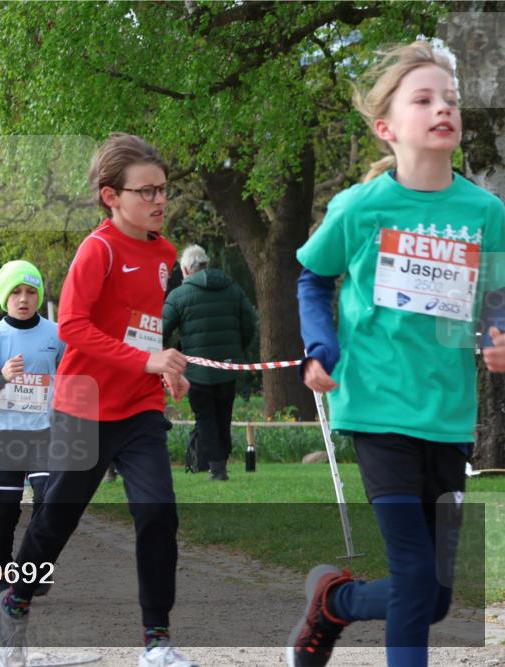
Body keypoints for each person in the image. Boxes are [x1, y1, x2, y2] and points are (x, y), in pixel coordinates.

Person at [289, 42, 505, 667]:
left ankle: (333, 603)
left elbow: (496, 293)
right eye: (424, 99)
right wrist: (320, 346)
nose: (444, 108)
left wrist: (496, 335)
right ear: (387, 127)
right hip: (377, 408)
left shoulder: (485, 212)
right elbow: (311, 276)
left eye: (451, 99)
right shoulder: (360, 208)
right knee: (414, 577)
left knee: (433, 597)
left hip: (448, 417)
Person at [0, 133, 194, 667]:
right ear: (111, 196)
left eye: (163, 190)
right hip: (84, 406)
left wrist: (166, 368)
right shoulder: (97, 250)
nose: (158, 200)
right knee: (57, 516)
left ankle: (157, 641)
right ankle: (13, 604)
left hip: (141, 408)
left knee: (158, 514)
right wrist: (146, 359)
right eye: (145, 191)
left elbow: (141, 330)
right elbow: (74, 328)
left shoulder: (166, 253)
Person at [0, 260, 64, 595]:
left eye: (31, 292)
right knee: (5, 514)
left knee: (47, 505)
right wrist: (2, 377)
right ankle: (3, 573)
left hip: (44, 435)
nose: (23, 299)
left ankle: (36, 568)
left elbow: (70, 377)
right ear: (4, 297)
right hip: (8, 437)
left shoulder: (56, 334)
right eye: (16, 292)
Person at [162, 244, 257, 481]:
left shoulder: (178, 296)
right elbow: (249, 322)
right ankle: (221, 461)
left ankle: (217, 468)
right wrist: (237, 350)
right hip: (228, 366)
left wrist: (171, 355)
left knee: (205, 417)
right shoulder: (232, 289)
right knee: (223, 415)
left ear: (185, 269)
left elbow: (160, 330)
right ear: (206, 264)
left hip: (197, 370)